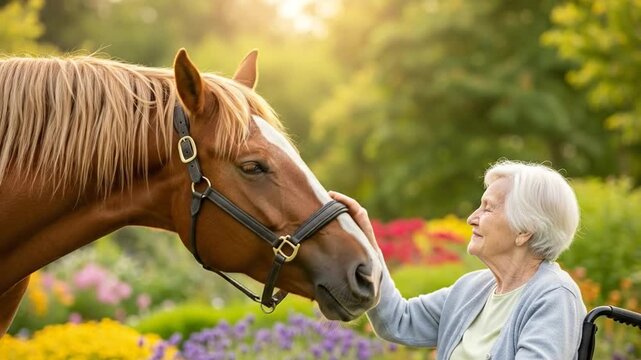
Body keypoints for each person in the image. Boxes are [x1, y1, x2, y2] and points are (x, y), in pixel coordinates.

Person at [330, 160, 587, 360]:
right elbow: (398, 321)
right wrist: (366, 244)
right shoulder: (472, 289)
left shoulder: (554, 297)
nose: (472, 218)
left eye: (488, 208)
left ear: (524, 231)